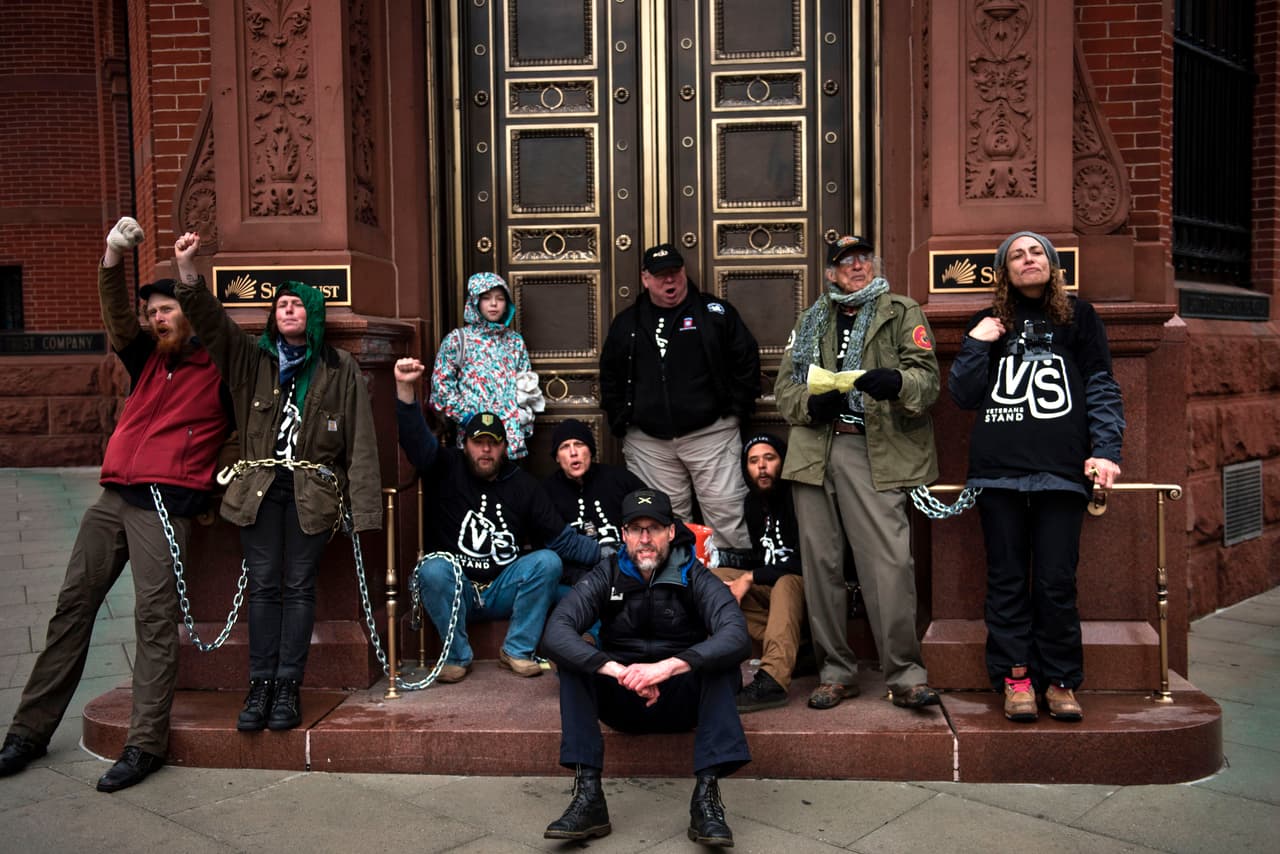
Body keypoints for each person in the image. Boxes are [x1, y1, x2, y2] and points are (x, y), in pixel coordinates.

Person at [0, 218, 231, 792]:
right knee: (71, 609)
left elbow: (209, 316)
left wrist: (185, 273)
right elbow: (115, 317)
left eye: (166, 310)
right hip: (113, 498)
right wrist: (110, 254)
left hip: (163, 504)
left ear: (187, 314)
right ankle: (27, 732)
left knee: (154, 621)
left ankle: (145, 742)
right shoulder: (146, 358)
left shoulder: (219, 364)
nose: (156, 318)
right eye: (151, 312)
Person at [173, 233, 382, 733]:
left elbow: (362, 440)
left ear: (312, 313)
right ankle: (259, 683)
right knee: (264, 586)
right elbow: (212, 324)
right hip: (259, 490)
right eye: (281, 305)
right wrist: (186, 270)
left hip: (313, 495)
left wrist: (363, 509)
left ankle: (289, 686)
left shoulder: (339, 367)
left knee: (298, 585)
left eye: (297, 305)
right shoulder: (251, 359)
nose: (288, 311)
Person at [948, 231, 1124, 723]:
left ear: (1052, 264)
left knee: (1055, 583)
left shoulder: (1080, 317)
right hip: (998, 475)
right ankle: (1016, 677)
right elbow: (962, 395)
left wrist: (1106, 450)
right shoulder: (987, 323)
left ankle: (1062, 681)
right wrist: (975, 344)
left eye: (1037, 253)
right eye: (1017, 255)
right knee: (1005, 581)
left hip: (1061, 473)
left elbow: (1102, 386)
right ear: (1004, 271)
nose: (1029, 260)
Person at [775, 234, 941, 711]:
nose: (857, 266)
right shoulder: (811, 320)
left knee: (887, 565)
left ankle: (906, 674)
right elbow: (785, 389)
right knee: (822, 567)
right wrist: (811, 402)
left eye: (864, 258)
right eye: (846, 262)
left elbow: (927, 383)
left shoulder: (901, 311)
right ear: (830, 273)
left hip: (874, 449)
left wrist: (897, 383)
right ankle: (835, 672)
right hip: (815, 450)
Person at [541, 488, 751, 847]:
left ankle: (706, 799)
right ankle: (589, 798)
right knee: (573, 662)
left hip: (681, 700)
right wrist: (617, 671)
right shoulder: (606, 573)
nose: (644, 539)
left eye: (653, 528)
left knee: (721, 663)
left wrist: (668, 667)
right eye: (635, 529)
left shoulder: (693, 574)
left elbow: (736, 634)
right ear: (623, 535)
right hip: (622, 697)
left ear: (671, 531)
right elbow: (555, 632)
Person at [394, 358, 602, 681]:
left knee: (547, 561)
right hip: (458, 586)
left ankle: (517, 650)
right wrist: (405, 391)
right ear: (466, 445)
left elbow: (561, 540)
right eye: (479, 443)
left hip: (504, 587)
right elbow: (417, 445)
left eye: (494, 443)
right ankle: (456, 656)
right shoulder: (446, 467)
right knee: (432, 568)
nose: (486, 451)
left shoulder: (523, 484)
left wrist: (607, 554)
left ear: (505, 447)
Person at [599, 243, 760, 547]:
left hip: (711, 435)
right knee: (663, 524)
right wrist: (624, 420)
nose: (669, 281)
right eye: (660, 276)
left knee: (727, 517)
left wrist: (734, 410)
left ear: (684, 272)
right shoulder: (627, 323)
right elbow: (610, 376)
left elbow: (746, 361)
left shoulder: (716, 313)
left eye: (674, 273)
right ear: (645, 279)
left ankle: (733, 590)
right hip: (650, 445)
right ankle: (674, 591)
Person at [712, 433, 806, 712]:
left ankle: (773, 681)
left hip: (812, 590)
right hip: (773, 591)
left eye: (769, 458)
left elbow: (811, 562)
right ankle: (793, 652)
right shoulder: (753, 504)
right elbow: (764, 557)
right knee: (711, 579)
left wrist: (750, 577)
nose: (761, 467)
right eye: (753, 461)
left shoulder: (799, 497)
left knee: (786, 583)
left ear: (783, 462)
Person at [431, 272, 540, 459]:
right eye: (486, 298)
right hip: (474, 434)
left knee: (508, 485)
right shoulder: (458, 340)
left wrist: (522, 419)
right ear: (475, 301)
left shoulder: (514, 341)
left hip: (509, 436)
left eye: (500, 298)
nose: (494, 304)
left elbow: (526, 385)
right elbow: (441, 386)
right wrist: (466, 417)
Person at [540, 418, 646, 587]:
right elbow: (546, 550)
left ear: (590, 450)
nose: (573, 452)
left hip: (629, 571)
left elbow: (653, 515)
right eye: (564, 447)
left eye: (579, 444)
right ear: (557, 458)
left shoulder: (620, 479)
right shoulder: (546, 492)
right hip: (576, 583)